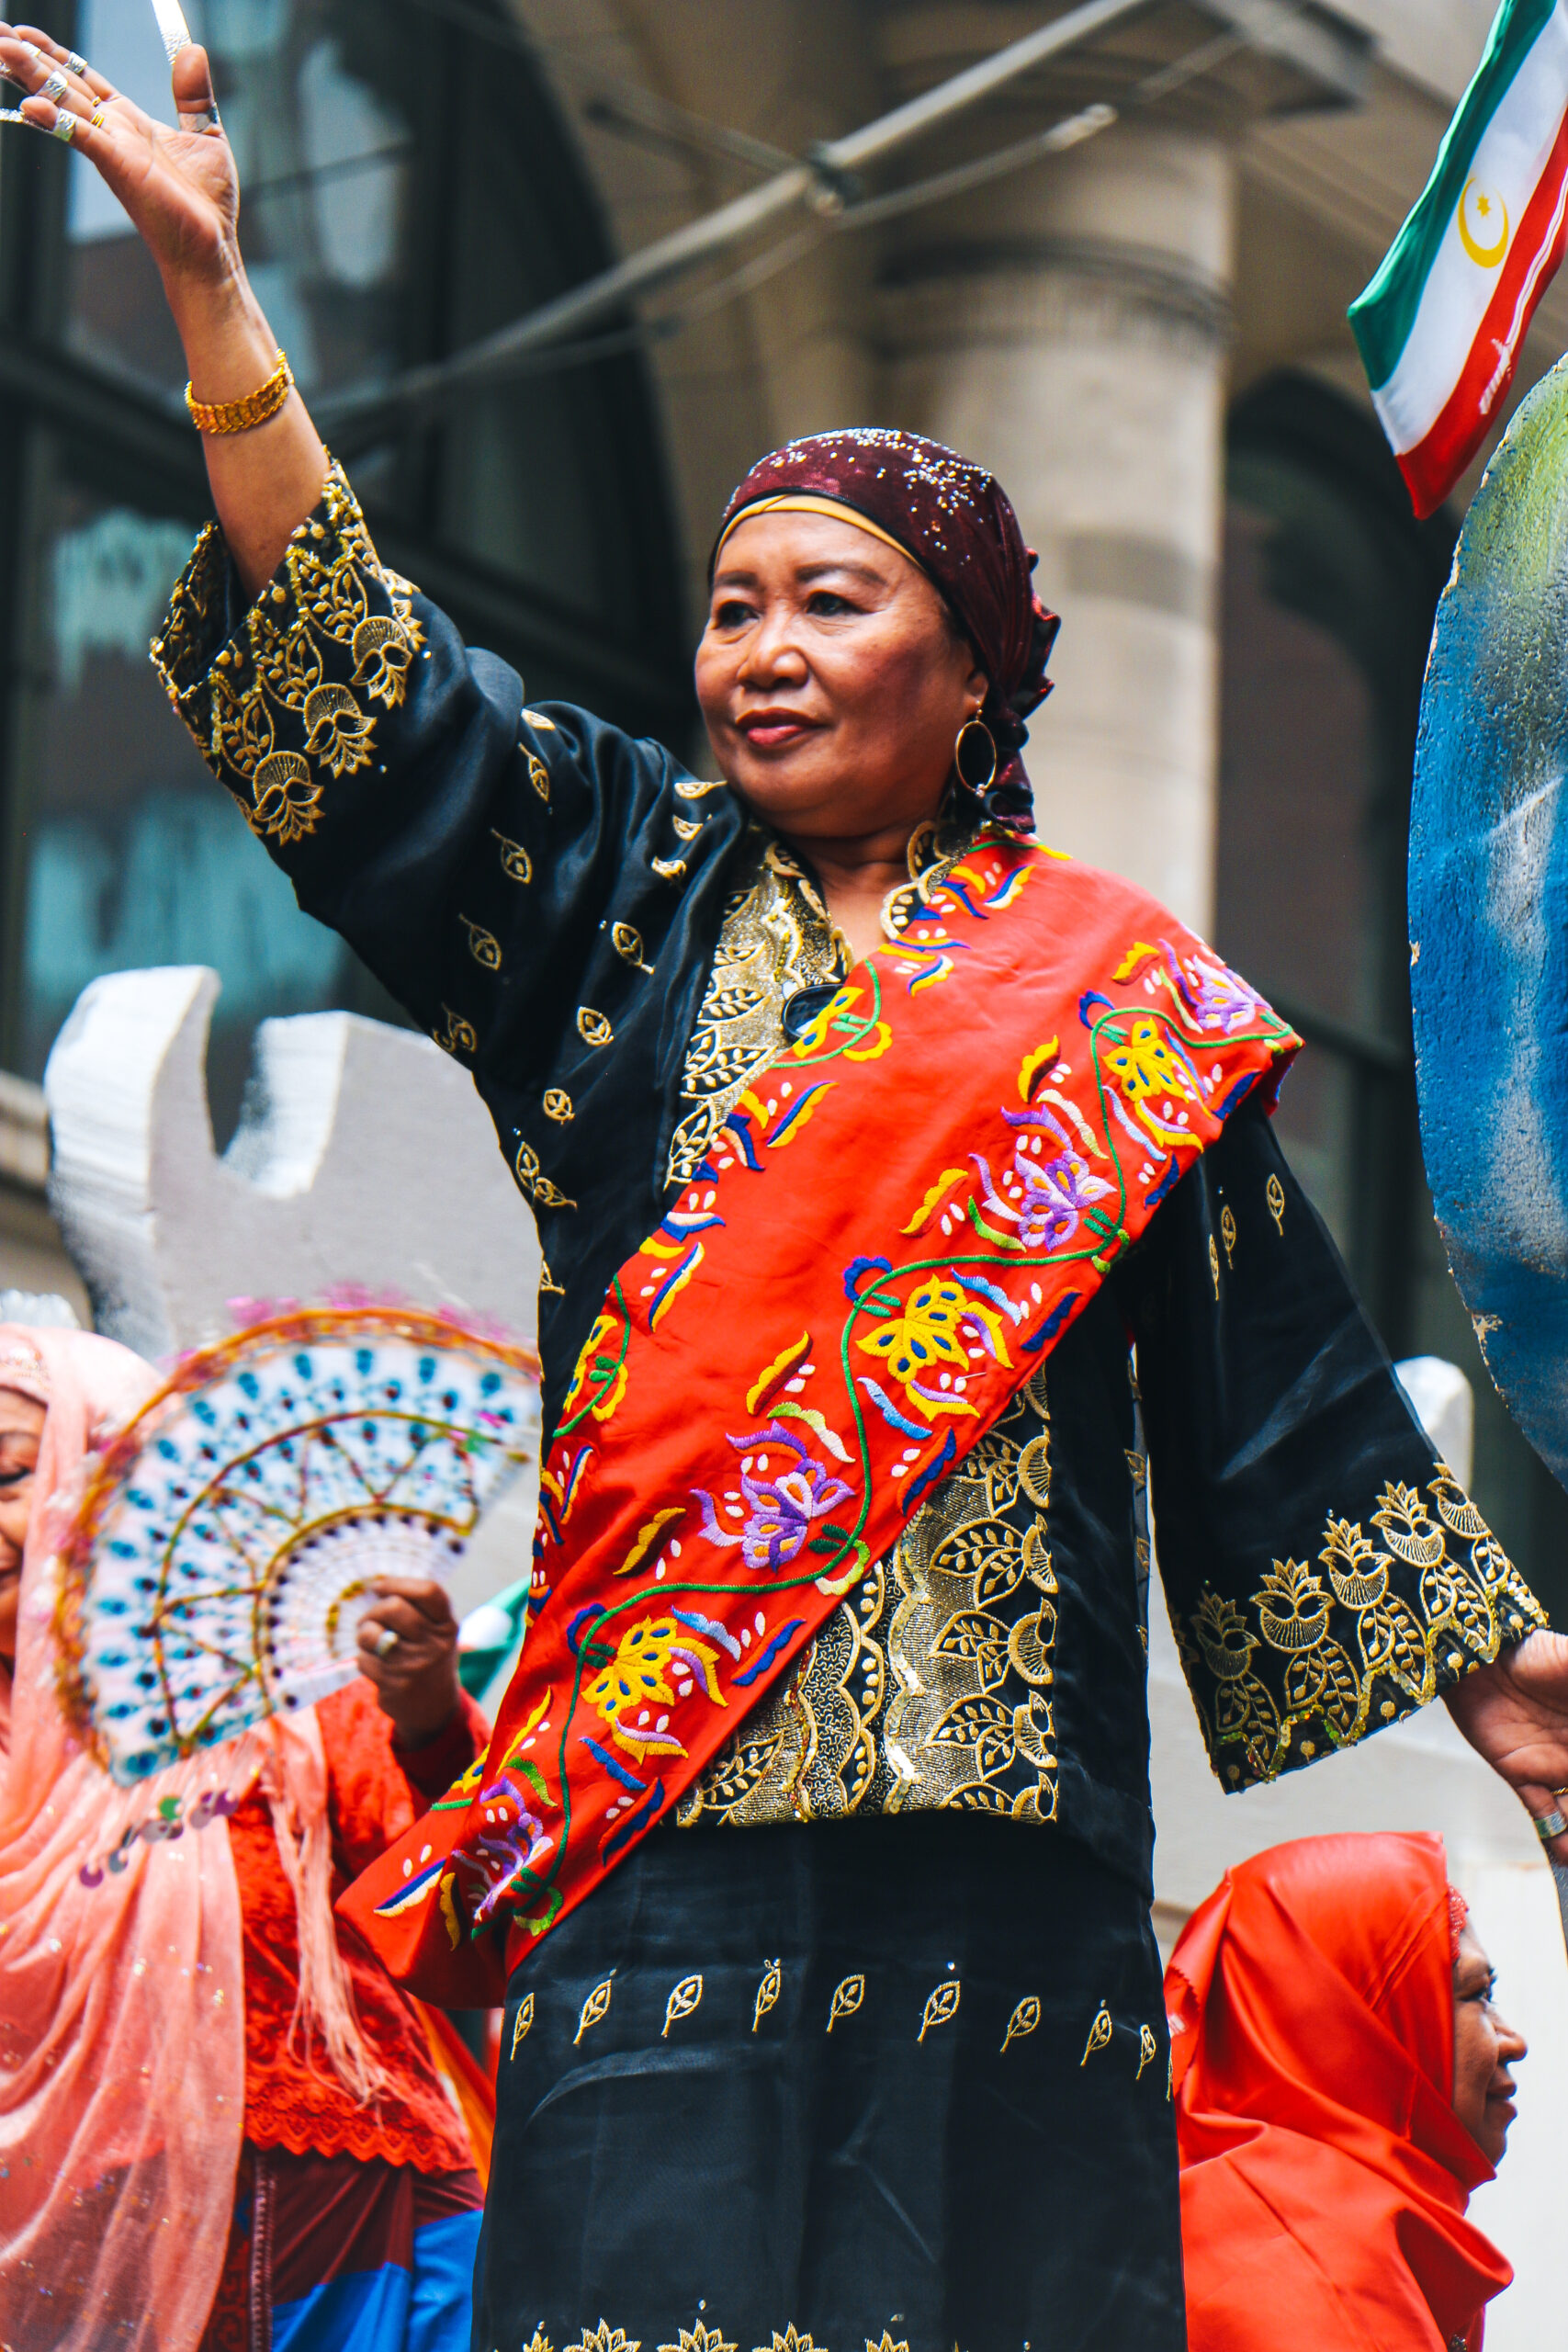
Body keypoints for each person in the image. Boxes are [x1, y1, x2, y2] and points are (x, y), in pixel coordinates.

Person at [15, 27, 1568, 2348]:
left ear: (966, 674)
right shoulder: (608, 897)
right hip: (657, 1827)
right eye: (731, 604)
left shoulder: (1118, 1001)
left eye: (824, 605)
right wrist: (222, 302)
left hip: (1009, 1877)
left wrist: (1501, 1675)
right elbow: (369, 698)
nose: (755, 651)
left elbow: (1276, 1398)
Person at [0, 1324, 491, 2352]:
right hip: (89, 2250)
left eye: (10, 1473)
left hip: (353, 2209)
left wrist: (427, 1711)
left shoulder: (275, 1692)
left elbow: (454, 1886)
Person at [1166, 1832, 1527, 2351]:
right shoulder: (1314, 2278)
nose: (1514, 2040)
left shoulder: (1304, 2225)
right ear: (1352, 2031)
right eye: (1477, 1994)